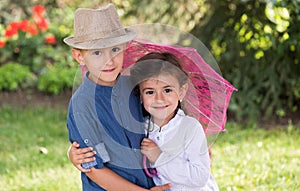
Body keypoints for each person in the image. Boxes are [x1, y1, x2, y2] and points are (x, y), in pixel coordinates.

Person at [64, 4, 170, 191]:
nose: (109, 60)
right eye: (97, 52)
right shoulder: (82, 105)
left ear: (124, 48)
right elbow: (93, 169)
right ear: (79, 56)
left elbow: (164, 117)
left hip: (150, 182)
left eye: (115, 49)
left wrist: (192, 147)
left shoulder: (135, 85)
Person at [129, 52, 220, 191]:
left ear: (182, 91)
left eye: (167, 90)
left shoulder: (190, 128)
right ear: (140, 96)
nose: (159, 98)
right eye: (150, 92)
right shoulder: (141, 128)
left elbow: (200, 178)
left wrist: (159, 158)